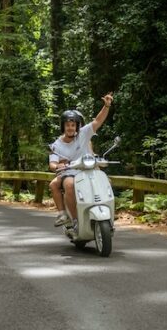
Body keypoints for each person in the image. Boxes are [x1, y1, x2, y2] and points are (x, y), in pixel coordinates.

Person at [49, 92, 114, 232]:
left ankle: (108, 215)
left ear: (77, 126)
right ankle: (75, 220)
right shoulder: (56, 145)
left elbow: (97, 121)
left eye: (73, 125)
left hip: (88, 170)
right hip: (70, 173)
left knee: (106, 180)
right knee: (69, 184)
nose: (70, 128)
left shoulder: (83, 134)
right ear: (63, 127)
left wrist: (107, 106)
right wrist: (59, 166)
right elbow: (52, 164)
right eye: (67, 125)